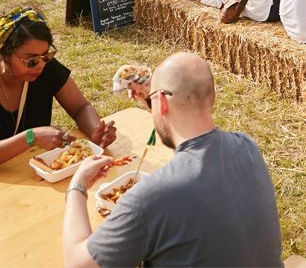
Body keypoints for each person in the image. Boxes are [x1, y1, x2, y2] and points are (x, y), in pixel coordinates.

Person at [62, 52, 282, 267]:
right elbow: (195, 152)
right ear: (211, 98)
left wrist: (77, 186)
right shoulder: (247, 146)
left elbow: (77, 263)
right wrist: (157, 100)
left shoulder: (149, 197)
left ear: (164, 104)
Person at [0, 6, 116, 164]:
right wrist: (31, 137)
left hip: (32, 170)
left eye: (46, 56)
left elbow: (80, 106)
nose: (40, 65)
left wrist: (95, 130)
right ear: (4, 54)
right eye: (31, 60)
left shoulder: (45, 67)